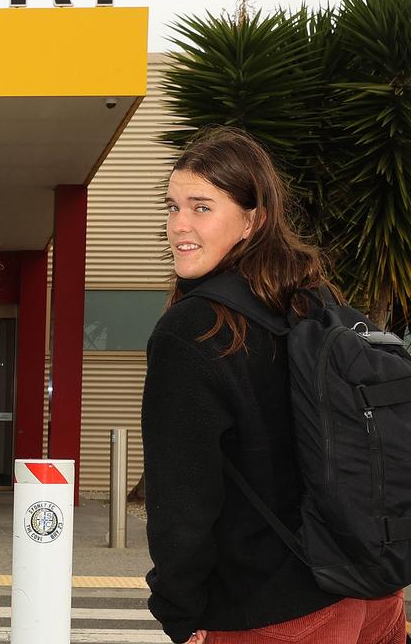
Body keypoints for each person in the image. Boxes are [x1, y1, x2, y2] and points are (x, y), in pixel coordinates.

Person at [142, 127, 405, 644]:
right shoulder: (313, 302)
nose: (178, 226)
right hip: (368, 592)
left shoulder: (192, 330)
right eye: (172, 207)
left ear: (252, 218)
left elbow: (181, 497)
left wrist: (180, 607)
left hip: (272, 612)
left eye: (201, 207)